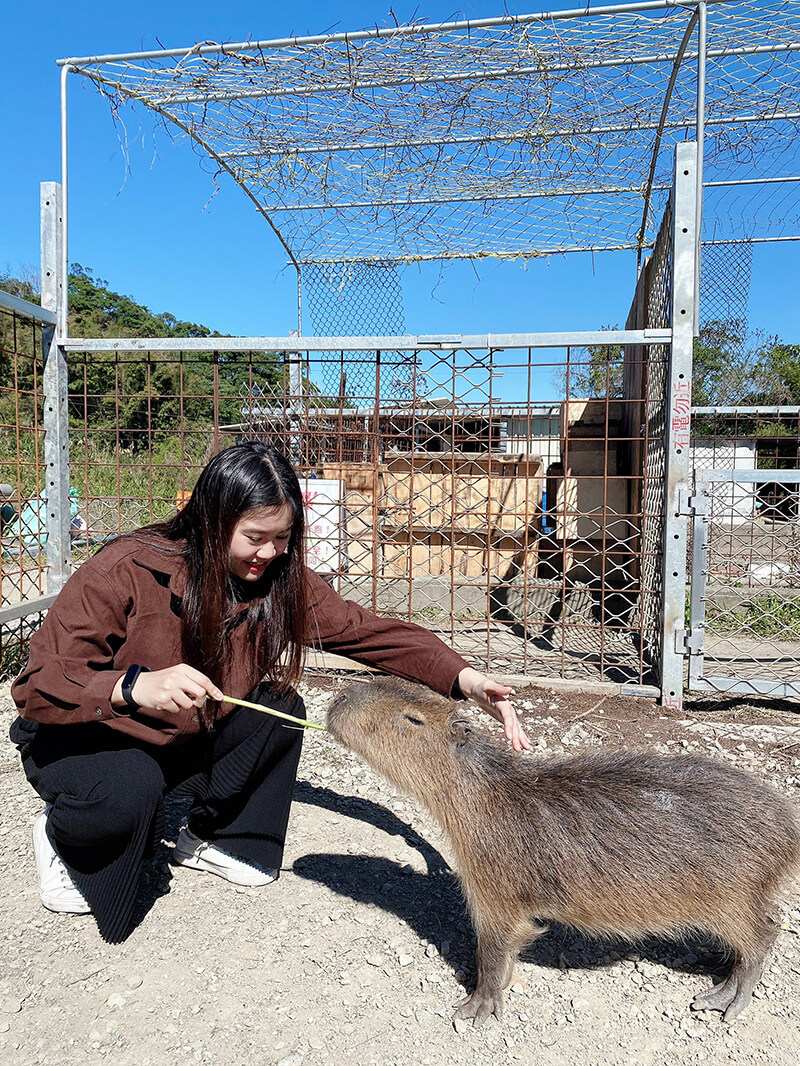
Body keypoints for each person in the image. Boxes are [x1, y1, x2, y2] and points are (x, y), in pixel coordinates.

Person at [10, 442, 530, 943]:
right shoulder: (125, 568)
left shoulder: (280, 577)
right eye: (255, 537)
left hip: (177, 735)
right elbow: (39, 685)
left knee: (277, 708)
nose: (270, 552)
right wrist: (134, 685)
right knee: (130, 785)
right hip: (84, 732)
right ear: (211, 522)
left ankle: (217, 837)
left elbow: (366, 631)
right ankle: (64, 837)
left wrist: (467, 680)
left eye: (283, 537)